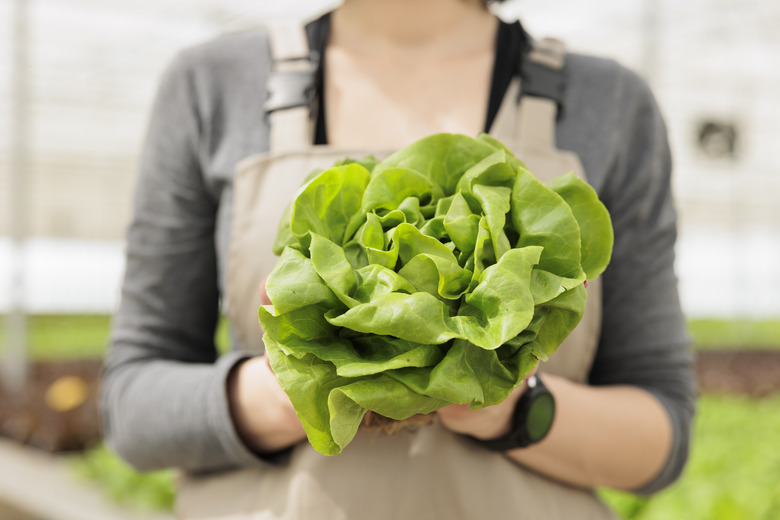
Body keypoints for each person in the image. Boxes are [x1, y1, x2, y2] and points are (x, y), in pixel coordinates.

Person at [101, 0, 696, 518]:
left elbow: (662, 434)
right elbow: (132, 406)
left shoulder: (610, 102)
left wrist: (506, 408)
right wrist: (299, 388)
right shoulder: (212, 84)